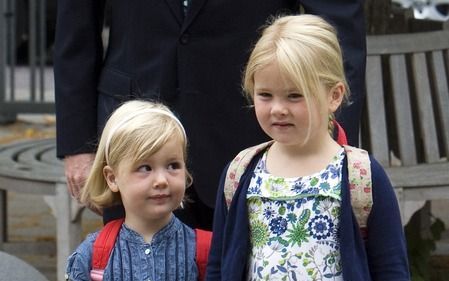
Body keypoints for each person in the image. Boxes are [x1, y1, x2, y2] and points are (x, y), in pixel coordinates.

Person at [53, 1, 366, 230]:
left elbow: (338, 34)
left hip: (255, 142)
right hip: (135, 139)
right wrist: (79, 144)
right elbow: (75, 25)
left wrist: (331, 146)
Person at [205, 15, 410, 281]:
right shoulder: (240, 173)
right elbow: (218, 267)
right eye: (265, 95)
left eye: (294, 95)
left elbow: (392, 270)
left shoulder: (361, 176)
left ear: (334, 96)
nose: (278, 108)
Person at [65, 100, 199, 281]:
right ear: (112, 178)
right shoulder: (91, 257)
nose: (161, 180)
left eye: (173, 165)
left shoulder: (203, 252)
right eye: (145, 168)